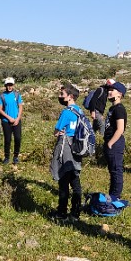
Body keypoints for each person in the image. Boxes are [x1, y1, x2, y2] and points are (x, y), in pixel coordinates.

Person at [48, 85, 84, 220]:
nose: (60, 96)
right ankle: (75, 212)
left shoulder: (66, 112)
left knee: (63, 181)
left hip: (66, 149)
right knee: (75, 180)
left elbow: (56, 132)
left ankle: (61, 212)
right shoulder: (79, 111)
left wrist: (59, 132)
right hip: (77, 149)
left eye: (62, 94)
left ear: (70, 96)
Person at [103, 81, 127, 201]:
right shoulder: (113, 108)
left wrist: (110, 143)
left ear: (120, 94)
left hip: (115, 143)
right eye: (109, 90)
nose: (109, 92)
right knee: (112, 169)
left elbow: (120, 128)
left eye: (112, 90)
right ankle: (112, 195)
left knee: (116, 170)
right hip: (111, 141)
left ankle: (115, 196)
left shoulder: (119, 109)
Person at [0, 77, 24, 164]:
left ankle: (16, 156)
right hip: (6, 121)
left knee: (18, 138)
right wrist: (9, 118)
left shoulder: (17, 95)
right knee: (7, 139)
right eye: (8, 85)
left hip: (16, 120)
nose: (9, 87)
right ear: (5, 85)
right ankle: (7, 157)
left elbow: (20, 107)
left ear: (13, 85)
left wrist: (18, 118)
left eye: (11, 85)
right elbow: (0, 109)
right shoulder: (2, 96)